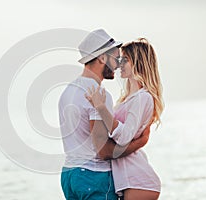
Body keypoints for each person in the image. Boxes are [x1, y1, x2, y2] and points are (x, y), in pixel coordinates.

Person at [58, 29, 151, 200]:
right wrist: (139, 143)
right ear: (102, 58)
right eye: (115, 58)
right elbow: (104, 151)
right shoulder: (98, 94)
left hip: (69, 175)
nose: (118, 64)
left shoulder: (68, 91)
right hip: (94, 177)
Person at [85, 38, 164, 200]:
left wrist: (101, 108)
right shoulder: (129, 98)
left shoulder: (142, 98)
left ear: (138, 63)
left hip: (138, 182)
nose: (120, 63)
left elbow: (124, 138)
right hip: (131, 181)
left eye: (125, 60)